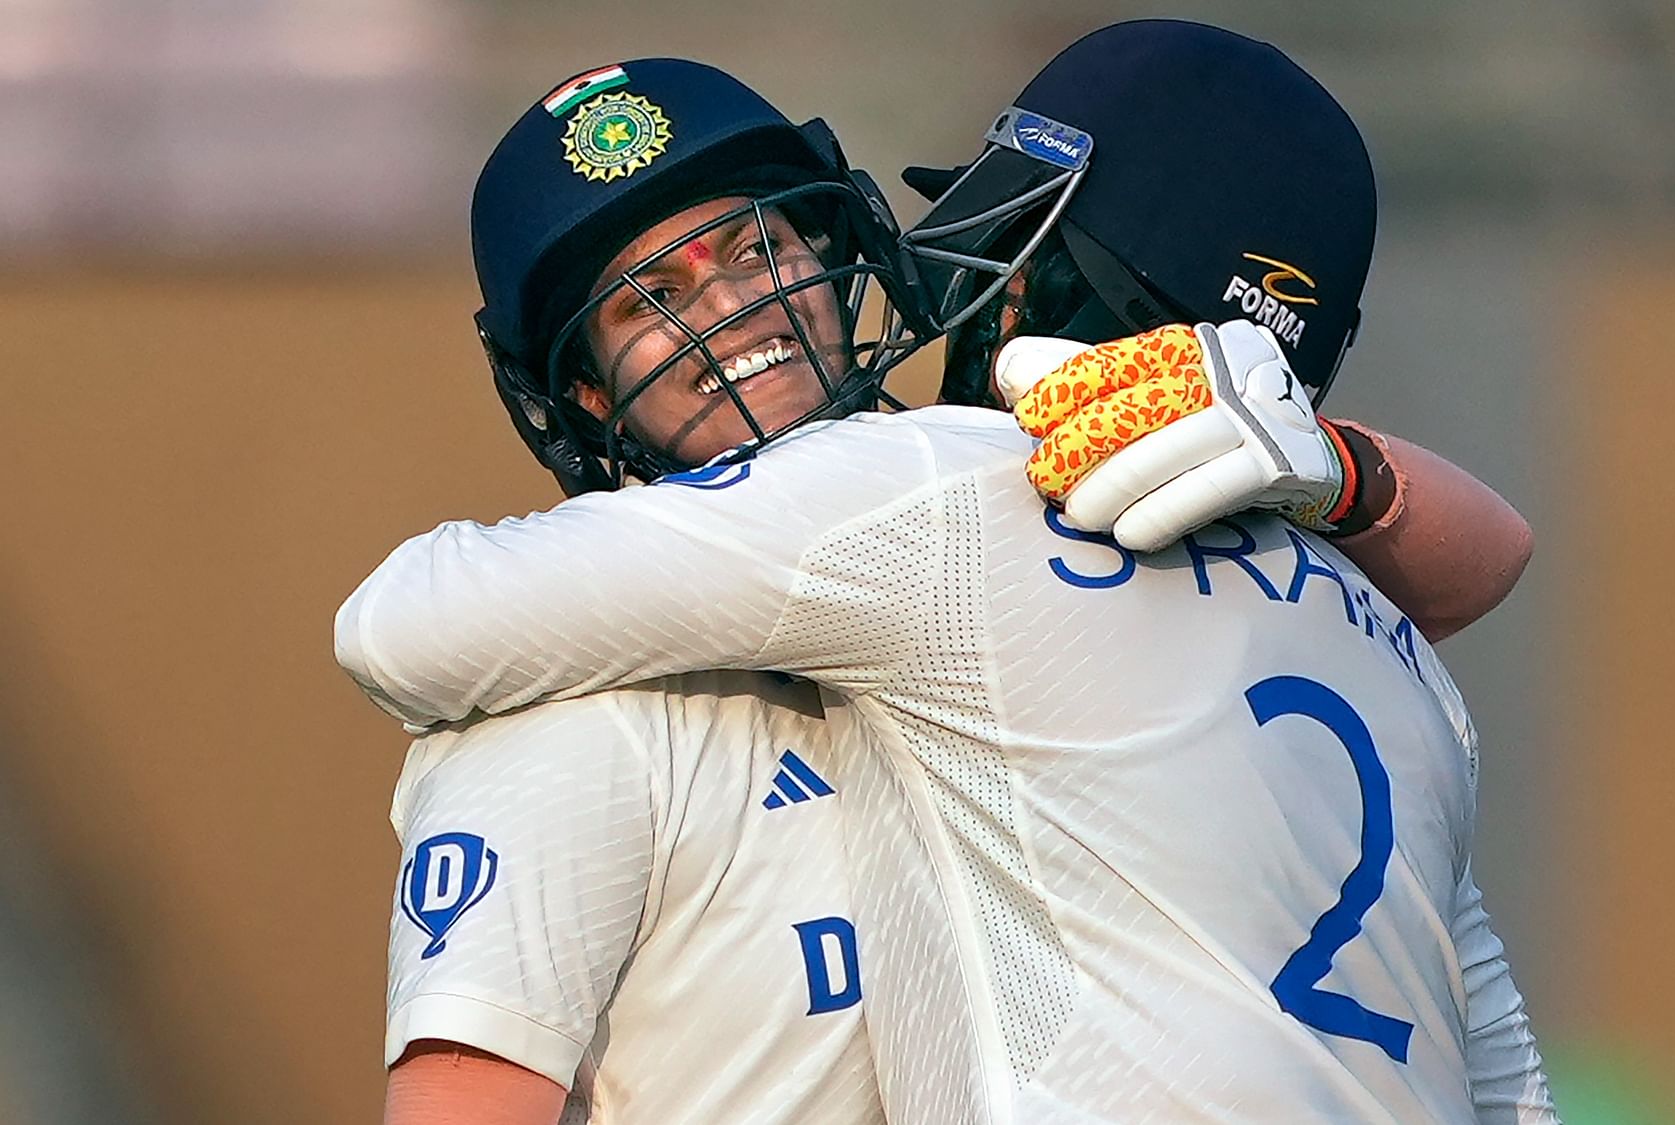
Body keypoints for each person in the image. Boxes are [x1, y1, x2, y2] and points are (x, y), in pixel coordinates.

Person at [354, 27, 1553, 1125]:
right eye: (648, 300)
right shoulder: (1391, 653)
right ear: (582, 391)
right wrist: (1338, 464)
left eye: (760, 245)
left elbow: (394, 622)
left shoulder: (935, 493)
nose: (733, 309)